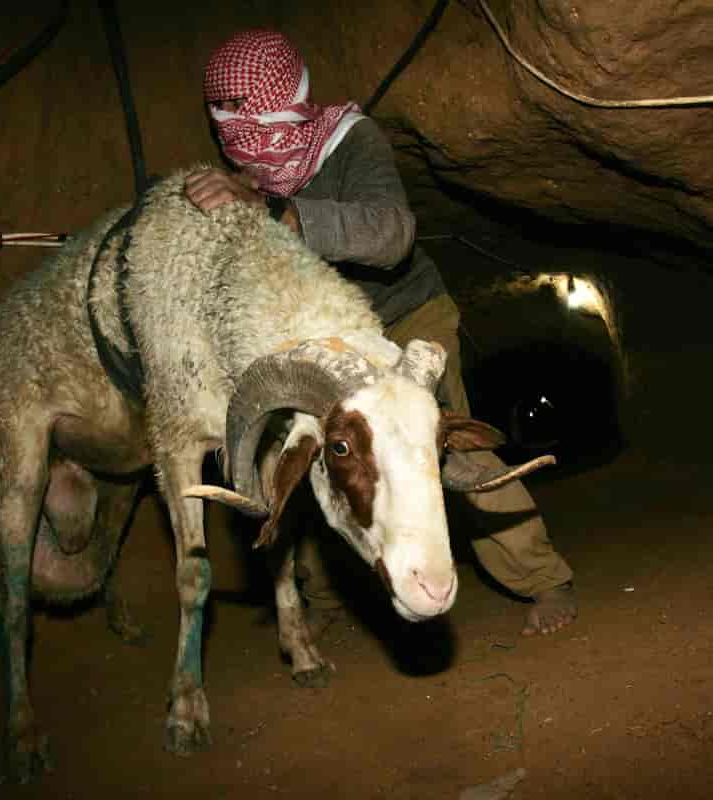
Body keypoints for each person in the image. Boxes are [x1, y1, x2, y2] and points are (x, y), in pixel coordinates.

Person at [184, 29, 575, 637]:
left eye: (252, 120)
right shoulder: (248, 175)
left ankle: (542, 578)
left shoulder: (350, 142)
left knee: (442, 458)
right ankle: (331, 599)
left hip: (404, 318)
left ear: (287, 106)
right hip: (324, 349)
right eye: (228, 122)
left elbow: (391, 234)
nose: (242, 139)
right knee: (311, 460)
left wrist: (275, 212)